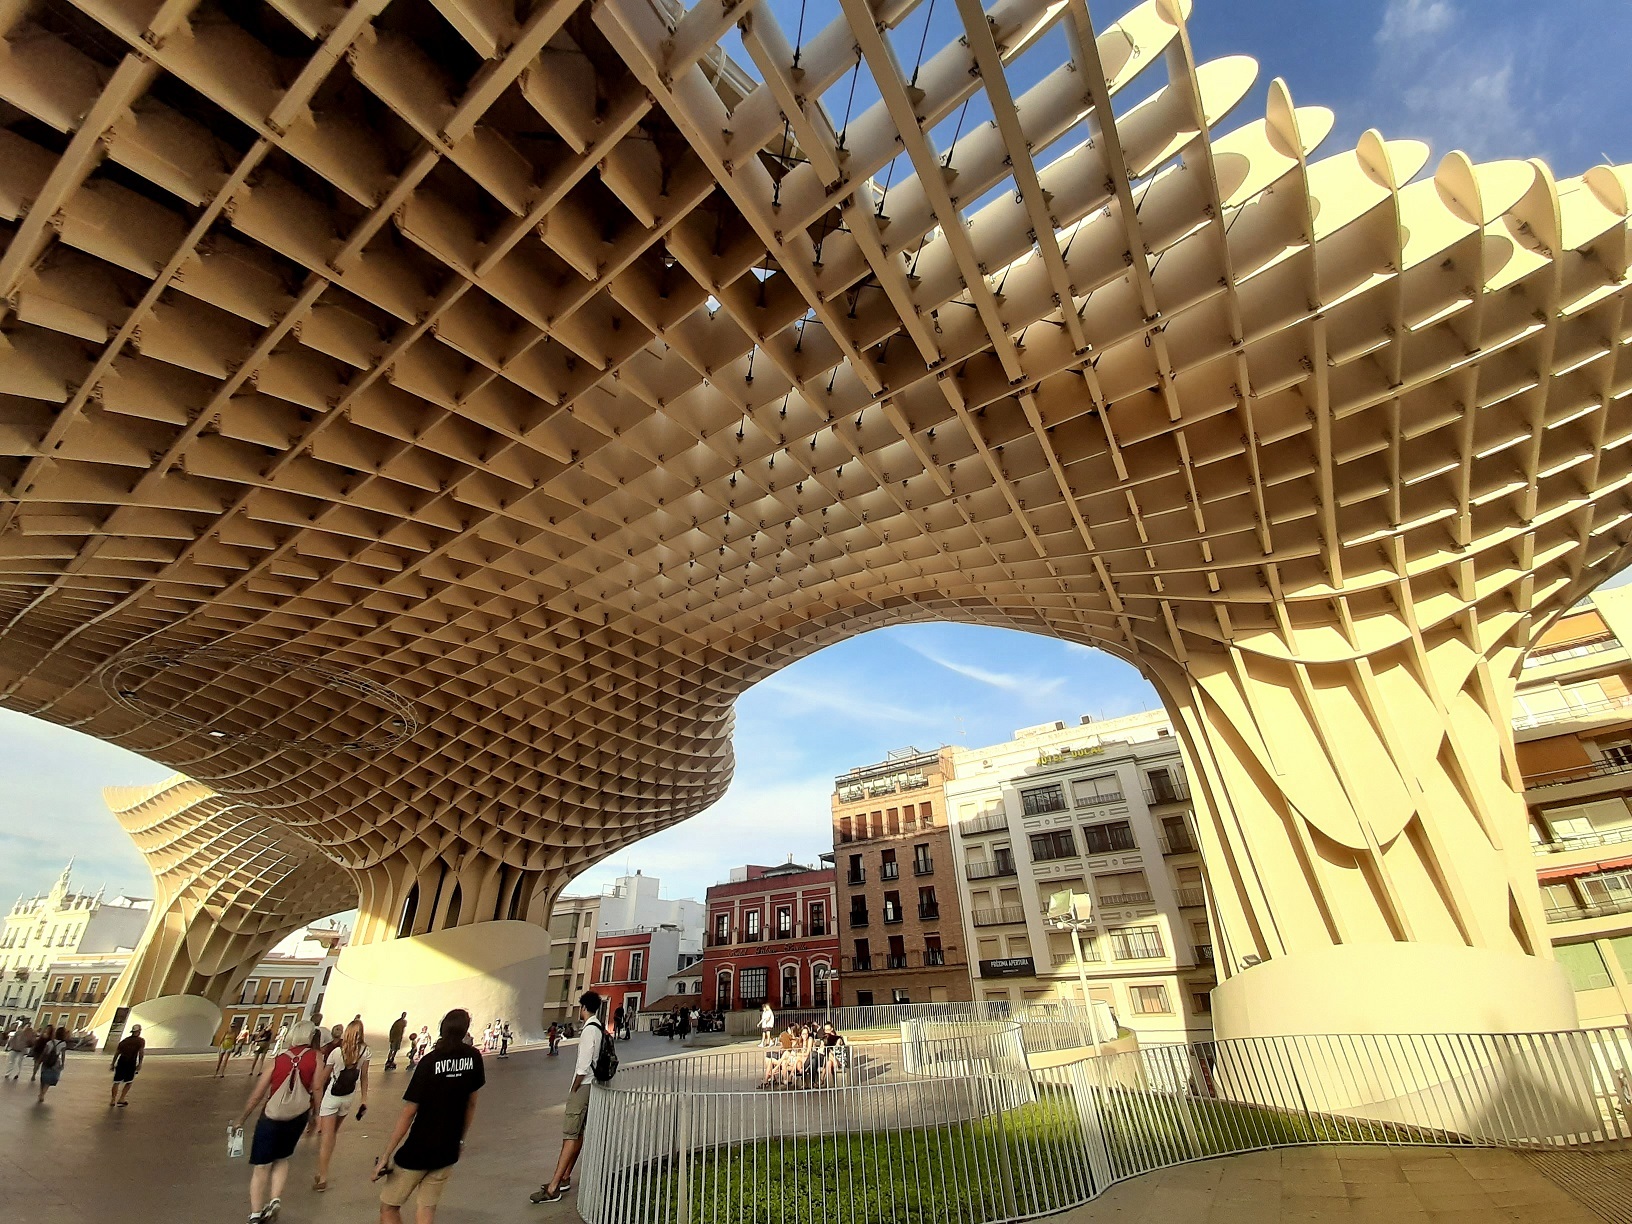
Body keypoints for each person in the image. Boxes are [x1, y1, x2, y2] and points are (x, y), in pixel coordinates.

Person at [373, 1008, 484, 1224]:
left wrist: (386, 1154)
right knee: (426, 1209)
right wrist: (460, 1140)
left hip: (418, 1149)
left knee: (389, 1206)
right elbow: (471, 1104)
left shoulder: (429, 1062)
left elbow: (409, 1112)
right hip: (448, 1148)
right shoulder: (473, 1057)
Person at [238, 1019, 325, 1224]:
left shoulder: (278, 1059)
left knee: (261, 1166)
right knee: (282, 1158)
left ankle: (255, 1214)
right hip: (298, 1116)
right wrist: (317, 1115)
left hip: (271, 1117)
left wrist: (242, 1119)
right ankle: (275, 1199)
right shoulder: (317, 1057)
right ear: (310, 1036)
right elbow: (317, 1087)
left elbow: (257, 1094)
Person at [530, 991, 608, 1204]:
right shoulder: (599, 1028)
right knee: (578, 1133)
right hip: (592, 1085)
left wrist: (574, 1088)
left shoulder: (589, 1030)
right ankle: (564, 1177)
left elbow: (583, 1065)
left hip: (582, 1086)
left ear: (584, 1008)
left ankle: (553, 1187)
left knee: (570, 1135)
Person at [313, 1018, 369, 1192]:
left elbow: (321, 1081)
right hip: (348, 1098)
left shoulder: (337, 1052)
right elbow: (364, 1077)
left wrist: (317, 1108)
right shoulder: (365, 1051)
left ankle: (322, 1177)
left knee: (326, 1137)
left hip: (332, 1097)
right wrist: (364, 1099)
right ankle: (322, 1171)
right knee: (333, 1134)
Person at [109, 1023, 146, 1106]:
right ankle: (121, 1098)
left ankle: (113, 1100)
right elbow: (141, 1052)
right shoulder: (140, 1041)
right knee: (129, 1082)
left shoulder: (124, 1041)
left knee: (116, 1081)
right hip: (131, 1062)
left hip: (121, 1061)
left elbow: (117, 1052)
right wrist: (140, 1063)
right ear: (139, 1031)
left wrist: (113, 1063)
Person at [35, 1026, 68, 1104]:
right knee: (49, 1079)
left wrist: (39, 1061)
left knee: (43, 1077)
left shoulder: (50, 1042)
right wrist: (63, 1063)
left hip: (46, 1061)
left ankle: (41, 1092)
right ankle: (43, 1094)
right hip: (55, 1062)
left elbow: (44, 1052)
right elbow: (63, 1055)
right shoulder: (63, 1044)